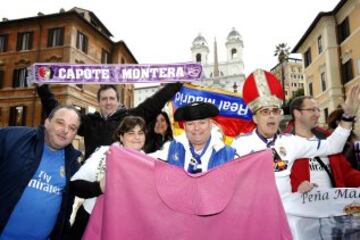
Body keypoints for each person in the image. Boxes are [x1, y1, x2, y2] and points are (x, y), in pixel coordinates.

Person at [231, 69, 359, 197]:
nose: (271, 116)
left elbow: (333, 146)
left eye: (275, 111)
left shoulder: (290, 142)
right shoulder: (239, 145)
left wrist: (348, 116)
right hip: (255, 214)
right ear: (255, 118)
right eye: (265, 112)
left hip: (287, 215)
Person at [37, 83, 182, 159]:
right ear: (99, 102)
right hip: (92, 180)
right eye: (104, 99)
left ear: (118, 101)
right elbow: (58, 113)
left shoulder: (130, 118)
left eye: (112, 98)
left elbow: (154, 102)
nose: (108, 102)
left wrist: (176, 84)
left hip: (121, 177)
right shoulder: (88, 122)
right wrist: (42, 87)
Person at [0, 105, 82, 240]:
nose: (65, 130)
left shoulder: (72, 164)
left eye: (72, 128)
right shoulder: (13, 139)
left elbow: (66, 209)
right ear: (47, 122)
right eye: (60, 122)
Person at [69, 116, 146, 239]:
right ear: (121, 136)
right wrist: (99, 187)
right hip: (89, 220)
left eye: (140, 133)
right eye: (131, 133)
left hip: (123, 227)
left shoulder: (148, 163)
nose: (137, 137)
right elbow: (74, 185)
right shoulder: (104, 153)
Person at [288, 97, 360, 193]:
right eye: (312, 110)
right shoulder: (283, 144)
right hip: (302, 206)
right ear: (297, 113)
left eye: (318, 110)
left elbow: (347, 173)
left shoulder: (327, 139)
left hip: (333, 204)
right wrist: (296, 187)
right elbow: (277, 180)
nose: (318, 115)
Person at [150, 102, 236, 173]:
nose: (196, 128)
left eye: (202, 123)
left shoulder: (230, 156)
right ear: (184, 126)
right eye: (190, 124)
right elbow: (144, 161)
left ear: (210, 124)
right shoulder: (172, 148)